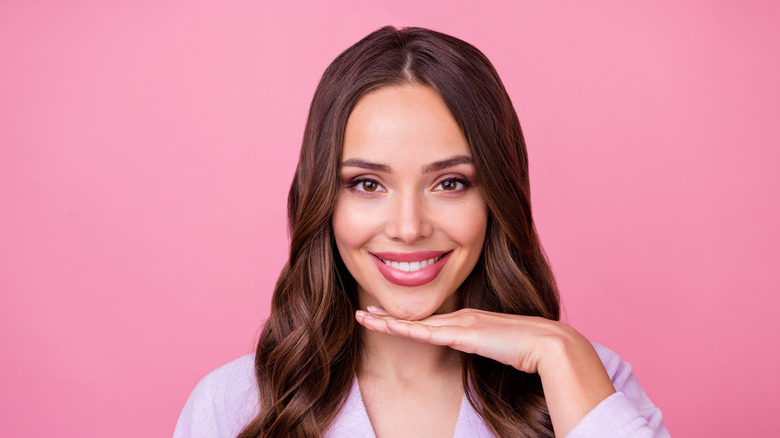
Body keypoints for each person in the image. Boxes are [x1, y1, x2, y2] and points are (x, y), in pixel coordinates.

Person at [174, 26, 670, 438]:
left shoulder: (586, 381)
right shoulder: (234, 408)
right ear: (323, 199)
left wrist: (562, 351)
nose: (409, 228)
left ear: (496, 196)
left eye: (449, 183)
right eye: (368, 184)